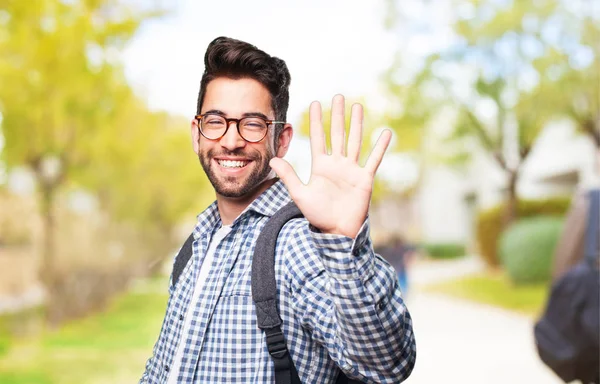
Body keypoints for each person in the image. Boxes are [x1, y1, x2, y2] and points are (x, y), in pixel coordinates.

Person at [139, 36, 416, 384]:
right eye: (215, 120)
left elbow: (386, 364)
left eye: (252, 124)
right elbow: (164, 368)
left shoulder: (298, 244)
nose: (231, 140)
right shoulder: (194, 249)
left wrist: (343, 245)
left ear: (282, 140)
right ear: (197, 133)